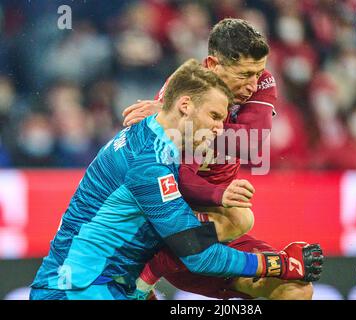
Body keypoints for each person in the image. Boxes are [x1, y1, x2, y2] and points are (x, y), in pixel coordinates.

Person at [29, 59, 322, 300]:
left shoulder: (153, 141)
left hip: (105, 285)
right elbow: (198, 256)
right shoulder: (151, 164)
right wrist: (279, 263)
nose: (220, 129)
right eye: (214, 116)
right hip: (77, 292)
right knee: (239, 220)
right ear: (185, 106)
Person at [123, 19, 324, 300]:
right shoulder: (181, 92)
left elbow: (251, 144)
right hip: (169, 223)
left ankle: (145, 280)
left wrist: (186, 122)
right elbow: (176, 177)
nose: (253, 85)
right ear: (212, 65)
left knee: (296, 292)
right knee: (239, 217)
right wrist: (220, 192)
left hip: (214, 230)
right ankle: (150, 267)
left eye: (257, 72)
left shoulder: (260, 82)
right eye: (243, 74)